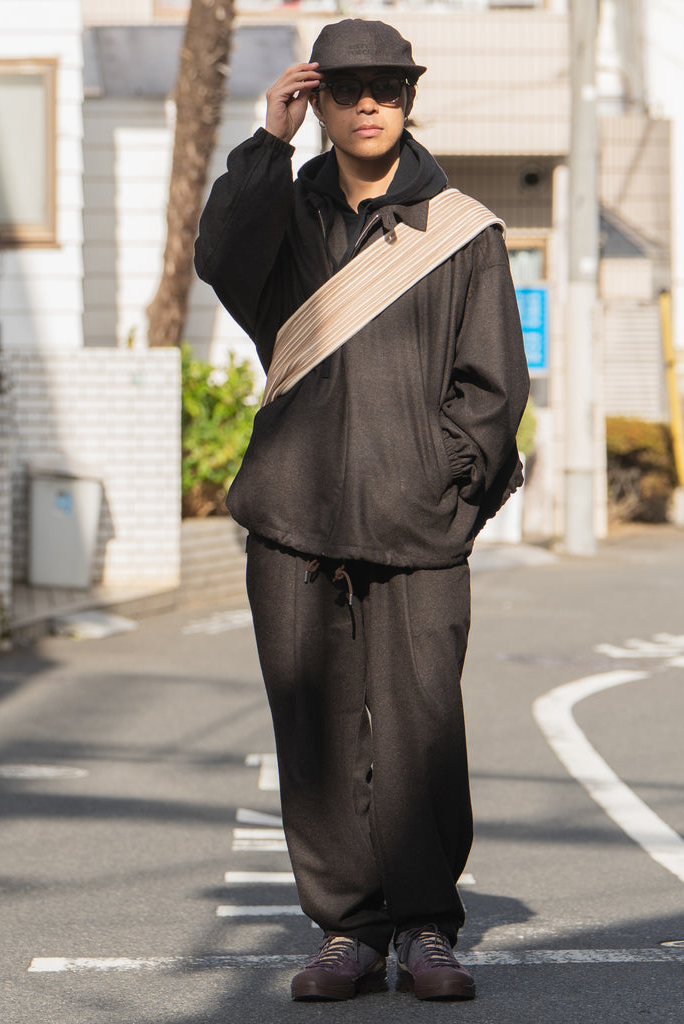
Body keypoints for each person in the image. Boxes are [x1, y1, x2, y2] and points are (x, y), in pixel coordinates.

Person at [194, 18, 529, 1002]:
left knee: (423, 726)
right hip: (292, 517)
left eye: (387, 87)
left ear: (409, 99)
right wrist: (268, 139)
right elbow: (219, 256)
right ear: (319, 102)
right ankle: (348, 929)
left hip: (418, 524)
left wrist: (443, 489)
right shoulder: (283, 216)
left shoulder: (462, 229)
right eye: (344, 89)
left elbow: (494, 389)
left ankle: (424, 925)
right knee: (314, 731)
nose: (368, 103)